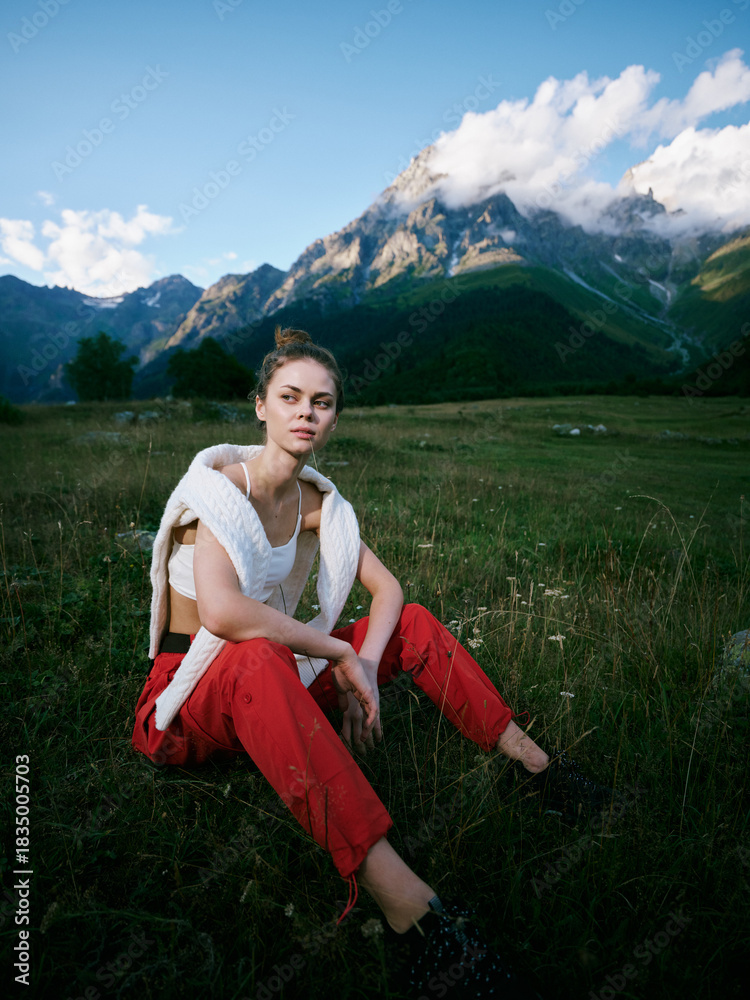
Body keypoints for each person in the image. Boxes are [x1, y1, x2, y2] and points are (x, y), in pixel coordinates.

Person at [132, 327, 611, 998]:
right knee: (261, 652)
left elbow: (390, 594)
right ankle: (408, 912)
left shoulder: (319, 504)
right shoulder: (217, 494)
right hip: (188, 705)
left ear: (334, 418)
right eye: (290, 397)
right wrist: (338, 652)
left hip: (272, 679)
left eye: (322, 402)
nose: (306, 412)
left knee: (403, 628)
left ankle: (535, 766)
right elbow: (220, 613)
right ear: (260, 407)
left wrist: (368, 673)